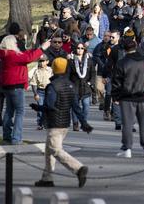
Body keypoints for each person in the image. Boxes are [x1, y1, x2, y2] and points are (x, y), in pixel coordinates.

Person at [33, 57, 88, 188]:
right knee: (48, 151)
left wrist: (38, 109)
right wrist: (84, 122)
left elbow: (50, 105)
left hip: (55, 123)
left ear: (54, 69)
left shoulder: (52, 86)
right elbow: (76, 106)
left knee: (55, 150)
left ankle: (78, 168)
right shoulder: (70, 85)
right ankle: (47, 178)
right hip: (65, 123)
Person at [0, 33, 50, 145]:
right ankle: (16, 138)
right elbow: (28, 58)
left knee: (9, 111)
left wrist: (37, 48)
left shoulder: (5, 54)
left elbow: (25, 54)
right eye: (15, 42)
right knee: (20, 112)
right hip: (16, 86)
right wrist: (42, 48)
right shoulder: (12, 55)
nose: (17, 44)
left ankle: (6, 135)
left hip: (7, 86)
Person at [112, 30, 144, 158]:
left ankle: (127, 148)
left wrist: (116, 96)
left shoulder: (122, 63)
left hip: (127, 97)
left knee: (127, 124)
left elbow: (116, 82)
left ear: (124, 49)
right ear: (136, 47)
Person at [68, 41, 96, 133]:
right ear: (75, 49)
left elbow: (93, 73)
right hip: (75, 86)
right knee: (75, 106)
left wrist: (90, 82)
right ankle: (75, 123)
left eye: (82, 48)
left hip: (86, 86)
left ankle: (83, 122)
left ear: (84, 49)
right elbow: (67, 74)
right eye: (78, 48)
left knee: (86, 105)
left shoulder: (89, 60)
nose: (80, 50)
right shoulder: (71, 60)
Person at [30, 55, 53, 129]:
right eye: (40, 61)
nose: (42, 63)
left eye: (43, 61)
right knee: (40, 107)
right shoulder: (36, 71)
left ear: (47, 62)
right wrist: (35, 94)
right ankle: (40, 123)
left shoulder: (50, 70)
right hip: (40, 91)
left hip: (49, 91)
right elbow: (33, 84)